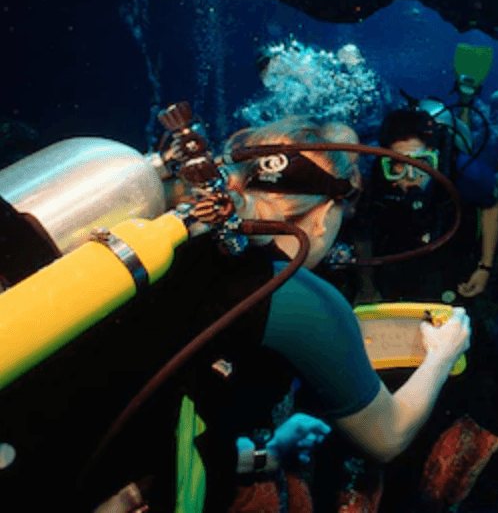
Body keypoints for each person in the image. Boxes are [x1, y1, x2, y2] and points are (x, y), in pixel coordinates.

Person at [0, 117, 470, 511]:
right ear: (326, 213)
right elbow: (388, 437)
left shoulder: (166, 239)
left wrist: (268, 455)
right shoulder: (300, 297)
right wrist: (442, 354)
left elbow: (148, 400)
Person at [338, 105, 498, 306]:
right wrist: (367, 288)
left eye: (422, 162)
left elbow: (491, 204)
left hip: (455, 213)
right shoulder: (374, 180)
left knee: (496, 185)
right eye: (399, 164)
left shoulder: (466, 172)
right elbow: (362, 231)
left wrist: (485, 267)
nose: (411, 176)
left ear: (435, 156)